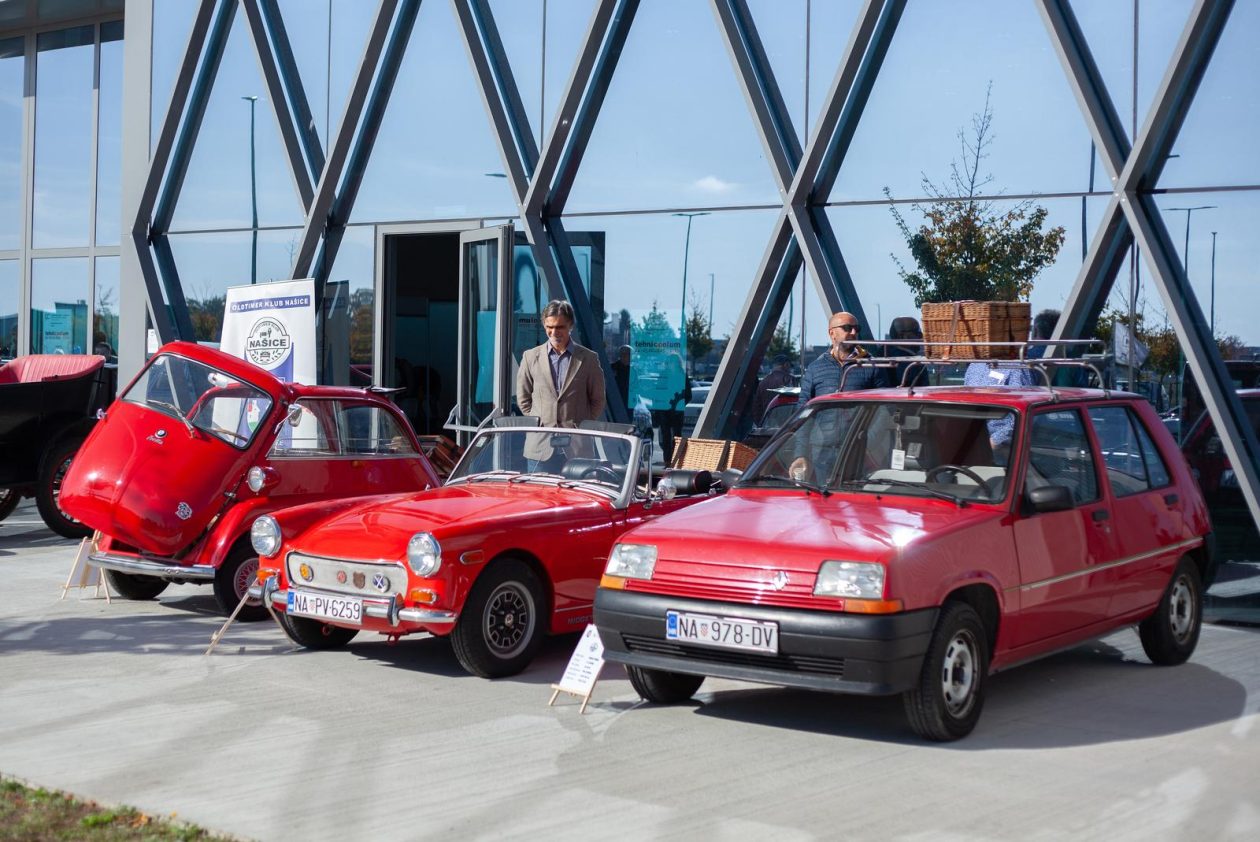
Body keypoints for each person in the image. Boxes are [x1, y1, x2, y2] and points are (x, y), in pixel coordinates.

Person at [790, 312, 890, 480]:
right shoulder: (815, 369)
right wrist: (800, 454)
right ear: (832, 333)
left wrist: (868, 441)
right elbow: (803, 414)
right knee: (825, 503)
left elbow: (886, 408)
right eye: (847, 328)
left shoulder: (872, 366)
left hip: (858, 454)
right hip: (822, 454)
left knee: (857, 503)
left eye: (856, 328)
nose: (853, 333)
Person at [517, 300, 606, 466]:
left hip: (577, 448)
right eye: (549, 327)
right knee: (538, 492)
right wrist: (541, 421)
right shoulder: (530, 357)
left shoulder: (588, 359)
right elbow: (523, 399)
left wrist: (579, 423)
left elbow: (598, 400)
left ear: (570, 325)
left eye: (559, 327)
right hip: (540, 447)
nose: (553, 332)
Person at [652, 352, 691, 466]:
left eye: (673, 362)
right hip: (664, 411)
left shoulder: (682, 376)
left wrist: (679, 403)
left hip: (677, 411)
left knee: (677, 436)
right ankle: (667, 461)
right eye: (669, 362)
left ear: (677, 363)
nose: (670, 364)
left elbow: (688, 394)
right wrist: (657, 407)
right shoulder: (663, 375)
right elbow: (658, 392)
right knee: (665, 436)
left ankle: (677, 460)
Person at [752, 354, 793, 423]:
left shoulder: (763, 382)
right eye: (789, 366)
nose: (790, 370)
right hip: (785, 424)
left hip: (767, 423)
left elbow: (756, 406)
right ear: (786, 365)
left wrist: (761, 423)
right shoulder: (789, 379)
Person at [885, 316, 923, 387]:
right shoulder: (911, 363)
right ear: (903, 336)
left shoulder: (883, 353)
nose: (921, 337)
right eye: (918, 334)